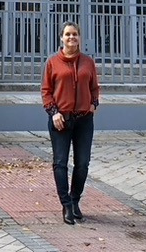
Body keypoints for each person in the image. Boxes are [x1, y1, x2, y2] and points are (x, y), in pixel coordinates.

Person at [40, 21, 100, 225]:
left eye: (75, 34)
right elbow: (46, 92)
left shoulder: (88, 62)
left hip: (84, 120)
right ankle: (65, 204)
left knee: (82, 164)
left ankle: (75, 201)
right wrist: (53, 112)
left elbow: (94, 87)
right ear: (61, 38)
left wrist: (93, 104)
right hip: (60, 120)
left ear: (79, 37)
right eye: (67, 34)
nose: (71, 38)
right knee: (60, 163)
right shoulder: (52, 62)